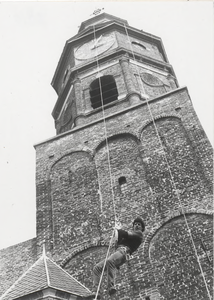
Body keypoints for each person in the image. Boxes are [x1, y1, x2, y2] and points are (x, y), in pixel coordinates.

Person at [87, 217, 145, 299]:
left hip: (123, 252)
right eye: (135, 224)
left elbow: (125, 234)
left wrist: (118, 230)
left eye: (139, 224)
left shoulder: (139, 234)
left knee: (109, 261)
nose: (137, 226)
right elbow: (120, 238)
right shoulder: (129, 238)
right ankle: (95, 291)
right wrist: (116, 235)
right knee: (97, 268)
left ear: (142, 228)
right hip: (118, 252)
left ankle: (111, 287)